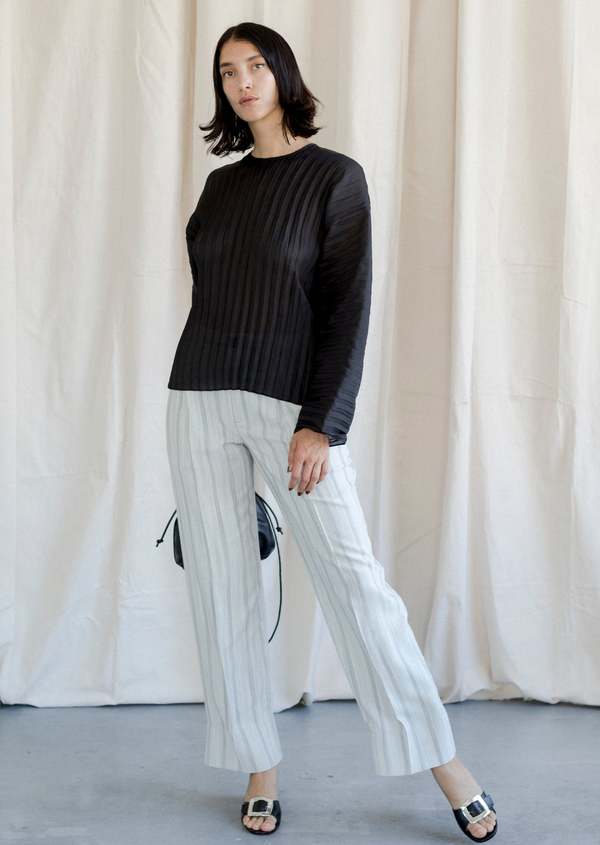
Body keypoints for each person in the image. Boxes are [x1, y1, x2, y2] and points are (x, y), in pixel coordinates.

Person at [165, 20, 498, 842]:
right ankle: (259, 766)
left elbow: (347, 311)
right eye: (227, 72)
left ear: (283, 75)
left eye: (255, 66)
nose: (242, 82)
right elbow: (214, 296)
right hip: (199, 397)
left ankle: (445, 763)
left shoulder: (334, 179)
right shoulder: (220, 188)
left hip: (291, 411)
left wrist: (322, 423)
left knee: (355, 584)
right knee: (222, 590)